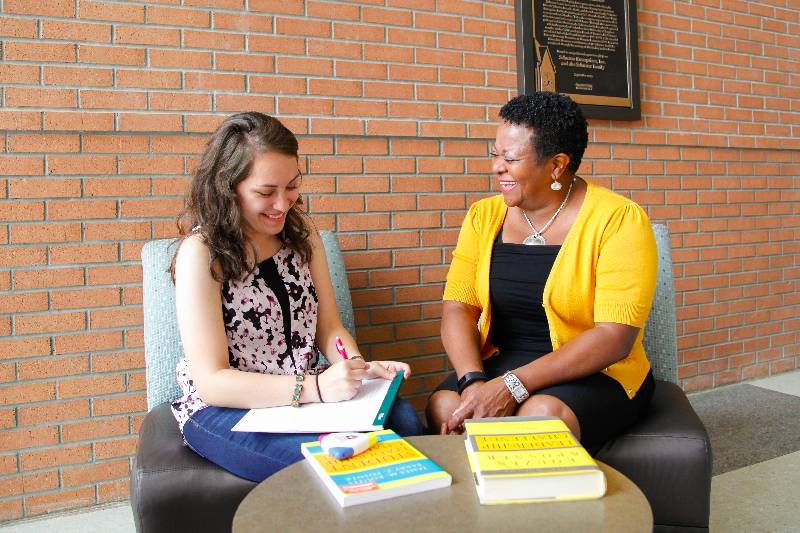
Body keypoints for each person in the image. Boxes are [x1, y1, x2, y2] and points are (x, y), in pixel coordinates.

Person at [169, 111, 423, 482]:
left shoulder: (302, 235)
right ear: (229, 187)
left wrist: (355, 366)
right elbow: (213, 381)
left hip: (301, 388)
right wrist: (316, 387)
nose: (283, 204)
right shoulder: (202, 252)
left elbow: (330, 328)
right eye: (265, 192)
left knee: (406, 421)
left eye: (292, 186)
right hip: (226, 405)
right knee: (326, 464)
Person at [425, 92, 657, 453]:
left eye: (511, 158)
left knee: (539, 416)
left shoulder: (618, 219)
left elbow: (615, 336)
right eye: (494, 154)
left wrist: (511, 386)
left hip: (594, 371)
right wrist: (473, 384)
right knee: (447, 407)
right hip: (506, 359)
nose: (496, 167)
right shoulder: (482, 217)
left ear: (557, 165)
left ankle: (544, 509)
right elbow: (458, 308)